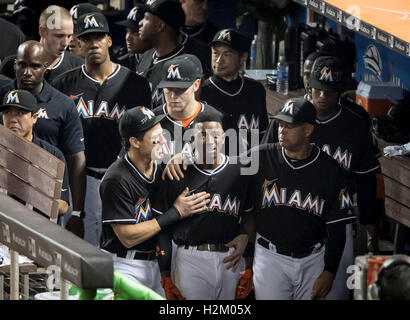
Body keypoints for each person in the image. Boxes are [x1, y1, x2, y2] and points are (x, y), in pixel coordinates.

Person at [52, 12, 152, 246]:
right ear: (78, 42)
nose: (94, 43)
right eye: (87, 38)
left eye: (99, 37)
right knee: (79, 251)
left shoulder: (135, 85)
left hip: (120, 179)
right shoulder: (63, 84)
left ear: (108, 40)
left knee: (118, 251)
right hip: (80, 181)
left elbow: (147, 135)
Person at [246, 97, 356, 300]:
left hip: (313, 259)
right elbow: (222, 169)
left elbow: (337, 227)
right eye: (280, 124)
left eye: (290, 126)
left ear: (307, 130)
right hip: (270, 258)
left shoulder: (333, 172)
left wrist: (330, 270)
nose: (282, 130)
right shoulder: (260, 158)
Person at [100, 106, 211, 296]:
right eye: (155, 138)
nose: (163, 141)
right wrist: (175, 212)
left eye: (163, 134)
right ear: (134, 141)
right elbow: (127, 237)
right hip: (125, 265)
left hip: (159, 264)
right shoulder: (116, 179)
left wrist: (186, 156)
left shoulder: (162, 166)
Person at [153, 111, 253, 300]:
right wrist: (165, 274)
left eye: (216, 135)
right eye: (202, 136)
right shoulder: (177, 172)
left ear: (224, 138)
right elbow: (162, 227)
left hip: (230, 259)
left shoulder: (239, 172)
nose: (210, 142)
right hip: (191, 259)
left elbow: (247, 217)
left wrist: (249, 263)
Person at [0, 40, 86, 236]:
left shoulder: (62, 104)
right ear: (15, 65)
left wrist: (77, 212)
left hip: (45, 193)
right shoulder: (2, 94)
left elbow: (76, 159)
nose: (27, 72)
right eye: (22, 64)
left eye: (35, 66)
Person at [0, 89, 69, 217]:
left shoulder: (51, 155)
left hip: (36, 225)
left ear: (35, 118)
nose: (13, 119)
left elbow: (63, 206)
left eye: (20, 113)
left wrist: (28, 190)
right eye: (7, 112)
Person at [200, 28, 269, 153]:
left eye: (227, 54)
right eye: (215, 53)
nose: (219, 60)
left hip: (251, 167)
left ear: (243, 57)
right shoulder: (202, 92)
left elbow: (264, 135)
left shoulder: (256, 90)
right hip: (216, 169)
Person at [136, 0, 211, 109]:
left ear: (160, 26)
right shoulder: (146, 56)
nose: (140, 23)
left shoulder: (187, 64)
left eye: (146, 18)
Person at [153, 53, 221, 163]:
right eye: (169, 89)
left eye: (180, 89)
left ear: (196, 84)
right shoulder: (150, 122)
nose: (173, 96)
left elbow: (232, 168)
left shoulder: (218, 120)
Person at [0, 6, 83, 82]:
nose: (66, 43)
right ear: (42, 31)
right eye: (59, 36)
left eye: (69, 36)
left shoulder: (79, 66)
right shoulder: (11, 64)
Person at [113, 5, 151, 71]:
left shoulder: (160, 62)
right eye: (127, 31)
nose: (128, 37)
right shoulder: (121, 63)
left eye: (135, 32)